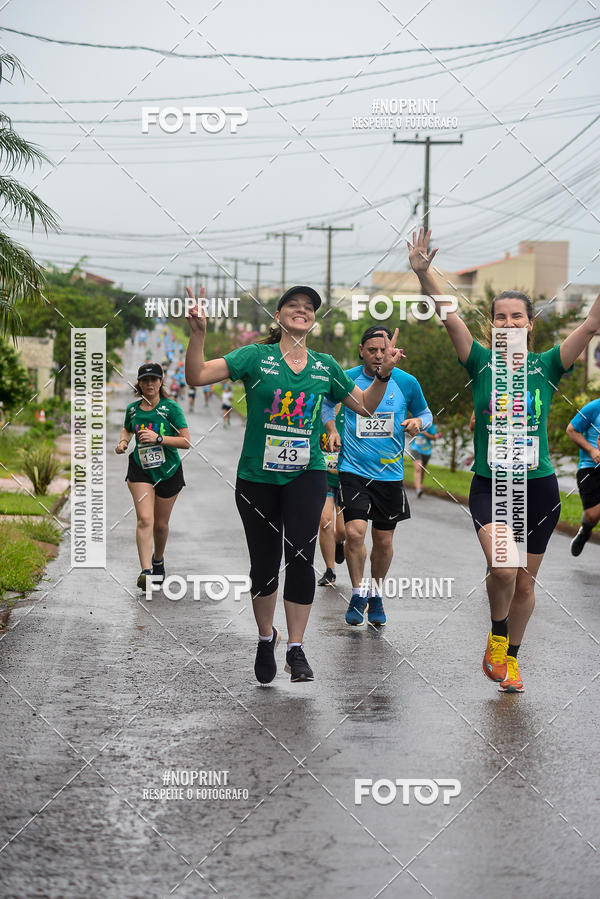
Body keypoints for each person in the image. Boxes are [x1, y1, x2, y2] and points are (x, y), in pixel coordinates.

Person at [408, 227, 600, 693]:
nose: (509, 324)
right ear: (491, 324)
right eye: (500, 317)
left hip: (539, 487)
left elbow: (592, 324)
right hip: (490, 485)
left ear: (530, 324)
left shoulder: (548, 365)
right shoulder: (478, 361)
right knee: (503, 568)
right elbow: (449, 315)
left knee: (527, 586)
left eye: (517, 317)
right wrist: (423, 273)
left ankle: (509, 657)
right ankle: (497, 636)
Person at [185, 285, 402, 684]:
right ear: (279, 315)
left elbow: (367, 406)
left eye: (309, 308)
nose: (301, 311)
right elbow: (196, 376)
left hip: (307, 474)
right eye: (293, 305)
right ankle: (266, 637)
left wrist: (383, 373)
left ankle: (296, 649)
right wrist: (197, 335)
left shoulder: (325, 366)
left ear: (313, 320)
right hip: (257, 477)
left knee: (301, 556)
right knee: (264, 565)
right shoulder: (255, 356)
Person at [322, 325, 433, 627]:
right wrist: (332, 429)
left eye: (384, 350)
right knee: (355, 533)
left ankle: (376, 593)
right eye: (372, 350)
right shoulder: (346, 377)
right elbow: (327, 405)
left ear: (393, 352)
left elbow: (427, 413)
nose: (378, 355)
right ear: (361, 351)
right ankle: (358, 593)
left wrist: (417, 422)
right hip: (352, 469)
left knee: (383, 541)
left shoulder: (407, 382)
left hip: (390, 473)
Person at [116, 362, 191, 591]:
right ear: (139, 383)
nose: (150, 384)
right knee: (144, 519)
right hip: (141, 470)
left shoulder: (171, 408)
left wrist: (159, 438)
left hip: (168, 471)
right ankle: (146, 571)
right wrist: (123, 442)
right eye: (145, 380)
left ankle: (158, 560)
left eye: (154, 379)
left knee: (160, 525)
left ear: (161, 382)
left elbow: (186, 441)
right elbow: (128, 427)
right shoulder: (132, 409)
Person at [317, 404, 346, 587]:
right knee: (325, 521)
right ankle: (330, 570)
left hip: (345, 478)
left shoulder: (349, 408)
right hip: (323, 476)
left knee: (343, 530)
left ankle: (339, 542)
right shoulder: (317, 409)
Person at [566, 398, 600, 555]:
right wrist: (592, 450)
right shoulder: (594, 407)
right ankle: (585, 531)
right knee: (592, 515)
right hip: (590, 467)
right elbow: (571, 429)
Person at [410, 422, 441, 497]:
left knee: (422, 469)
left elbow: (434, 438)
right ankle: (418, 489)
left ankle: (420, 485)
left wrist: (424, 433)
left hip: (427, 451)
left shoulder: (430, 425)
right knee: (418, 468)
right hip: (415, 448)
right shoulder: (414, 422)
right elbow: (409, 434)